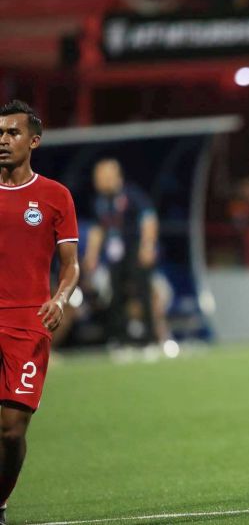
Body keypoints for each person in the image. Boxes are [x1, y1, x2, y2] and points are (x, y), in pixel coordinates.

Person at [0, 100, 79, 524]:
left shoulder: (54, 196)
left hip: (28, 322)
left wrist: (61, 298)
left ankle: (1, 499)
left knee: (11, 431)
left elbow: (71, 264)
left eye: (12, 133)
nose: (3, 140)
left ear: (34, 140)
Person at [82, 159, 160, 345]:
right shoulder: (99, 201)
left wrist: (147, 246)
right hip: (113, 255)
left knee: (142, 293)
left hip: (134, 250)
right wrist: (91, 255)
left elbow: (148, 219)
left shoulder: (131, 195)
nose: (98, 181)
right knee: (115, 296)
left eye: (102, 177)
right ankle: (120, 339)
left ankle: (150, 339)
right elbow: (97, 230)